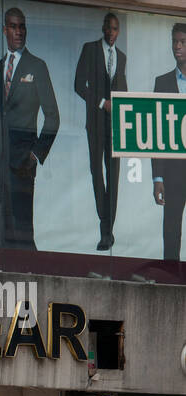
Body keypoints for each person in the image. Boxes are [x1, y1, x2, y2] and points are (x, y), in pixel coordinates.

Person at [0, 7, 59, 250]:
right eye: (13, 26)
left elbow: (53, 116)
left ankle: (32, 281)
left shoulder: (37, 66)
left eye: (22, 26)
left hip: (23, 165)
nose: (19, 31)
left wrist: (35, 154)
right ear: (4, 30)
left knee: (22, 234)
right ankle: (6, 284)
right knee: (3, 236)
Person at [74, 13, 127, 251]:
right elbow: (79, 85)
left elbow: (123, 88)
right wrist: (101, 103)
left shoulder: (122, 58)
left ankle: (107, 231)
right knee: (97, 173)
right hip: (95, 123)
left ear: (119, 31)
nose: (112, 33)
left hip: (116, 126)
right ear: (103, 27)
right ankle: (104, 225)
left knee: (113, 177)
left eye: (116, 29)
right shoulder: (90, 49)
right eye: (109, 28)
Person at [153, 24, 186, 261]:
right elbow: (157, 134)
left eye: (182, 42)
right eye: (174, 41)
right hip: (173, 173)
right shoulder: (162, 82)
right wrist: (158, 178)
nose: (177, 46)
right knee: (171, 231)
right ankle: (170, 280)